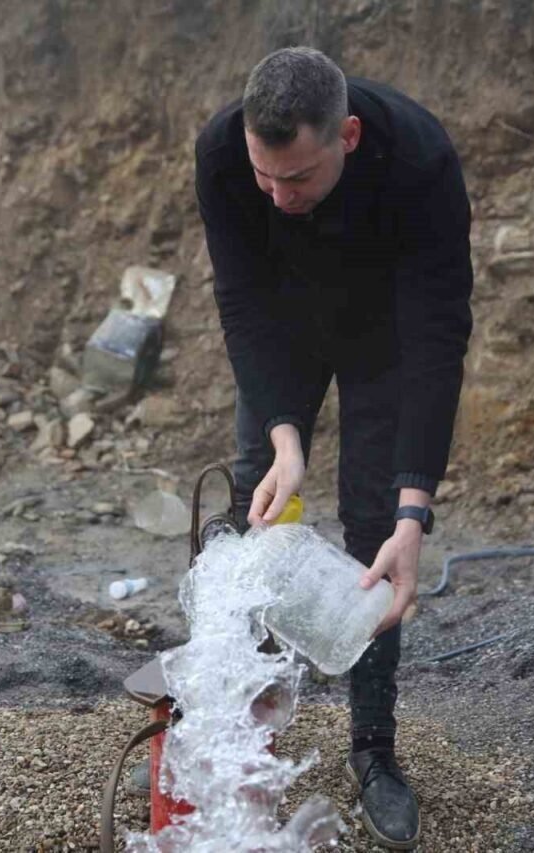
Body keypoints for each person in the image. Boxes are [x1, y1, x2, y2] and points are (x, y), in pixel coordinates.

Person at [194, 47, 473, 848]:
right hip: (281, 332)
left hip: (384, 338)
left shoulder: (420, 161)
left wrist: (413, 507)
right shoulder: (223, 154)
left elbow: (436, 340)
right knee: (264, 503)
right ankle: (245, 731)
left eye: (301, 180)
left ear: (347, 135)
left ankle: (374, 749)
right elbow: (239, 300)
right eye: (266, 178)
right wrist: (286, 437)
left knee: (373, 526)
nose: (281, 198)